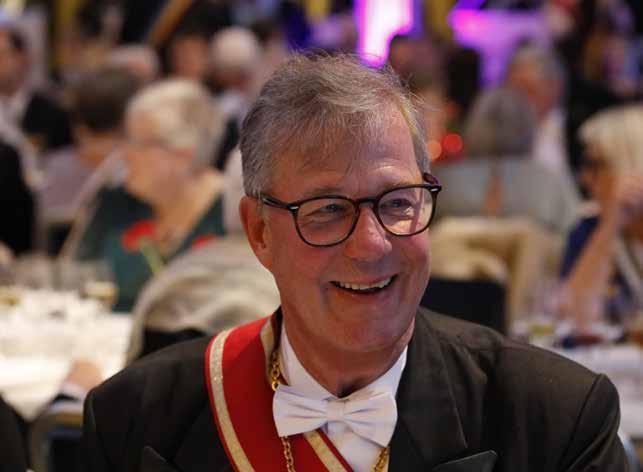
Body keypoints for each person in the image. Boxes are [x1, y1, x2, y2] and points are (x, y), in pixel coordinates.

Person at [82, 53, 625, 471]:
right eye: (327, 210)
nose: (371, 244)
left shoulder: (557, 420)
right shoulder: (137, 422)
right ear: (259, 232)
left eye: (397, 203)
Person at [64, 79, 227, 311]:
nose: (124, 154)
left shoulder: (232, 214)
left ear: (184, 154)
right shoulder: (114, 201)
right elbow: (67, 281)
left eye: (138, 143)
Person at [560, 104, 643, 327]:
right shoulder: (588, 228)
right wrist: (610, 225)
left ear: (632, 164)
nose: (585, 178)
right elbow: (573, 318)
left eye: (595, 165)